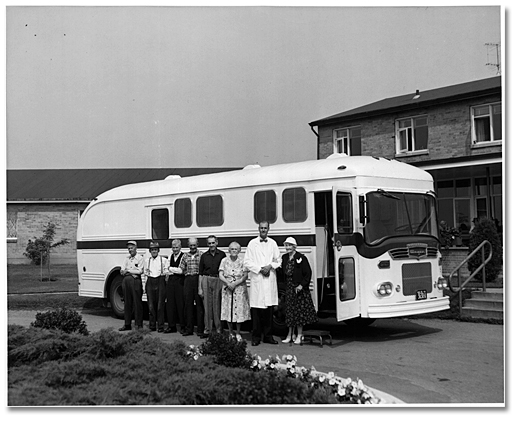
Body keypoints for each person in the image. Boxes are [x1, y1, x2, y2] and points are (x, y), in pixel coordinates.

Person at [243, 221, 281, 346]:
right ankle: (256, 337)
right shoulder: (252, 243)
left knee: (269, 311)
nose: (263, 230)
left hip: (269, 279)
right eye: (261, 228)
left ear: (268, 229)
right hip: (258, 279)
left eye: (265, 228)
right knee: (257, 312)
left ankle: (268, 336)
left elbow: (278, 260)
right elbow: (247, 262)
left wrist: (269, 266)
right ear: (258, 229)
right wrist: (260, 269)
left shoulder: (273, 243)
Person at [280, 237, 318, 345]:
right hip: (289, 288)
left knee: (299, 313)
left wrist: (302, 285)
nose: (287, 247)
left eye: (289, 245)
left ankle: (300, 334)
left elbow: (308, 273)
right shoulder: (284, 257)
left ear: (294, 246)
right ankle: (290, 334)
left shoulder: (301, 258)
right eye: (286, 245)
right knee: (290, 312)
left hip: (298, 289)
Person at [219, 241, 250, 342]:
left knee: (238, 311)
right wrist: (228, 283)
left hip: (239, 288)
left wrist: (235, 283)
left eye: (236, 249)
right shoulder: (224, 260)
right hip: (227, 287)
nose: (234, 251)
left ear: (239, 251)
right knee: (229, 310)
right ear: (229, 250)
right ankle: (230, 332)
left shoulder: (243, 261)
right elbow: (220, 274)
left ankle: (238, 332)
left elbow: (245, 275)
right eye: (232, 249)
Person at [199, 235, 226, 337]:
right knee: (207, 306)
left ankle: (219, 329)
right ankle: (207, 330)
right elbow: (200, 273)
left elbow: (225, 271)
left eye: (213, 243)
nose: (211, 245)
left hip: (218, 279)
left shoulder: (222, 255)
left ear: (217, 243)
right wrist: (200, 288)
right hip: (206, 279)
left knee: (217, 305)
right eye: (209, 243)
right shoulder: (204, 256)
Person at [179, 237, 205, 337]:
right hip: (188, 279)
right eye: (191, 245)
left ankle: (200, 329)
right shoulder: (185, 256)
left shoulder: (202, 255)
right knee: (188, 305)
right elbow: (181, 269)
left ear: (197, 244)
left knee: (199, 306)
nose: (193, 247)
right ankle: (188, 329)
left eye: (194, 245)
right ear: (188, 245)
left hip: (198, 279)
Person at [143, 241, 170, 332]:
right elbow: (145, 274)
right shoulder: (147, 261)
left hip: (160, 281)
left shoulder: (163, 260)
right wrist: (145, 286)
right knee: (151, 306)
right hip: (150, 281)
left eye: (155, 249)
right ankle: (152, 325)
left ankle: (161, 326)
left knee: (160, 306)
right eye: (152, 250)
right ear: (150, 251)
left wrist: (165, 274)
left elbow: (167, 271)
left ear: (158, 250)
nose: (154, 251)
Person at [119, 240, 144, 331]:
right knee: (127, 303)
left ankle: (139, 324)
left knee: (137, 303)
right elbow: (122, 270)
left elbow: (140, 271)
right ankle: (127, 324)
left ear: (136, 248)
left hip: (135, 281)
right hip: (126, 282)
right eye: (129, 248)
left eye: (132, 248)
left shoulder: (140, 258)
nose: (130, 250)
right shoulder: (126, 259)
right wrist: (130, 272)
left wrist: (128, 271)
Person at [165, 239, 185, 334]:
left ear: (180, 247)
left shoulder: (183, 256)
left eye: (177, 247)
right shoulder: (170, 256)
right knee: (170, 304)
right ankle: (171, 326)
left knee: (180, 304)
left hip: (180, 282)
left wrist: (170, 269)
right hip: (171, 282)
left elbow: (181, 271)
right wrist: (172, 270)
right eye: (173, 247)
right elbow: (166, 269)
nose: (175, 249)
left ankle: (182, 326)